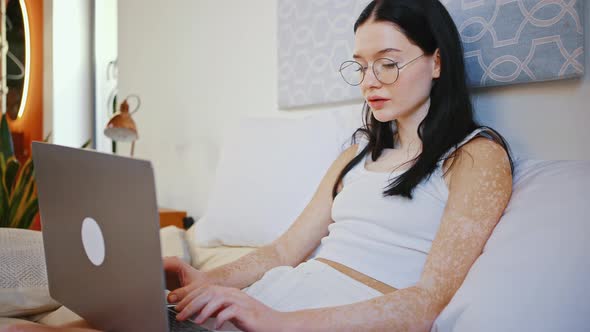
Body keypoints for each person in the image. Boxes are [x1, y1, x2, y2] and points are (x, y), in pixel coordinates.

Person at [3, 0, 513, 331]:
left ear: (438, 60)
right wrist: (208, 283)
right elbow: (283, 250)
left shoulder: (475, 156)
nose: (369, 81)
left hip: (310, 320)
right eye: (360, 66)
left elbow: (426, 302)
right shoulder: (356, 155)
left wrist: (271, 320)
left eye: (387, 61)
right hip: (272, 304)